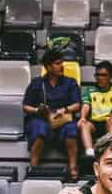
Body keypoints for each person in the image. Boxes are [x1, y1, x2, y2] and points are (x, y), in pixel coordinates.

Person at [22, 48, 82, 180]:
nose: (61, 66)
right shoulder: (37, 83)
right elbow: (26, 106)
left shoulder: (70, 82)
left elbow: (77, 104)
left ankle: (73, 167)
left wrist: (65, 109)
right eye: (57, 63)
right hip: (42, 118)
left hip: (62, 118)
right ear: (48, 67)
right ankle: (34, 167)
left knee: (71, 129)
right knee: (39, 128)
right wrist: (37, 110)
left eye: (62, 63)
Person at [78, 61, 112, 157]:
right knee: (84, 124)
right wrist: (82, 117)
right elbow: (86, 106)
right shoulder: (89, 90)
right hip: (93, 123)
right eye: (97, 75)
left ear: (111, 76)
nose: (100, 78)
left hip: (108, 121)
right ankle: (90, 151)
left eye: (103, 75)